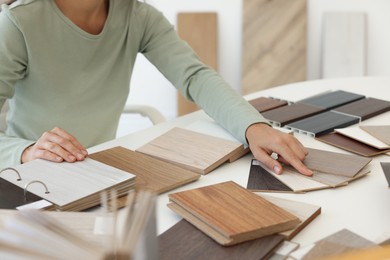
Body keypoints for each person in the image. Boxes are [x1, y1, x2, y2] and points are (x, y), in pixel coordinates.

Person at [0, 0, 313, 176]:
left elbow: (195, 77)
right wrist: (26, 152)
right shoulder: (18, 23)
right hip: (31, 176)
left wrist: (253, 125)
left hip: (98, 170)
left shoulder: (138, 16)